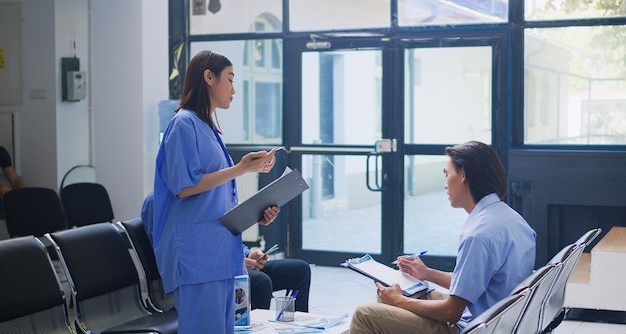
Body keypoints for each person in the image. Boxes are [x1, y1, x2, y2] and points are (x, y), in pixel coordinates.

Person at [152, 50, 281, 334]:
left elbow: (213, 200)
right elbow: (184, 187)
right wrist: (240, 169)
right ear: (209, 77)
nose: (234, 90)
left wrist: (255, 214)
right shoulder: (183, 124)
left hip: (218, 255)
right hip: (197, 257)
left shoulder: (207, 127)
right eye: (230, 80)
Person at [350, 141, 536, 334]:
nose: (445, 184)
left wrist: (399, 301)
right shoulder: (514, 220)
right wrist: (426, 273)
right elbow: (476, 284)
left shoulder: (478, 236)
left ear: (463, 175)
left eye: (447, 174)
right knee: (393, 294)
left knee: (365, 315)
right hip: (498, 320)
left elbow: (451, 312)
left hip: (475, 327)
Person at [141, 191, 311, 314]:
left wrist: (246, 254)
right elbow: (172, 254)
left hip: (230, 264)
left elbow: (225, 235)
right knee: (259, 282)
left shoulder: (207, 195)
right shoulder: (158, 202)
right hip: (202, 275)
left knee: (299, 270)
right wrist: (228, 260)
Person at [244, 245, 311, 313]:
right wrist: (236, 262)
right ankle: (258, 321)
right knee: (261, 281)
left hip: (240, 261)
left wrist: (248, 254)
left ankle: (295, 320)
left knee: (300, 269)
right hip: (233, 270)